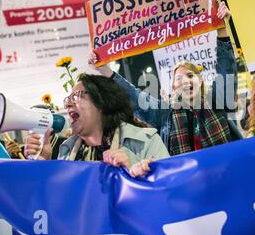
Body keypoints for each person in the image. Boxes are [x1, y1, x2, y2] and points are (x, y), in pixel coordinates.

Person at [92, 2, 242, 156]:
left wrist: (222, 28)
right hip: (185, 179)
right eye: (179, 78)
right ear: (174, 87)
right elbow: (135, 96)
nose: (185, 81)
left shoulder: (218, 100)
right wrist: (105, 71)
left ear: (200, 80)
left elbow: (226, 71)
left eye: (190, 76)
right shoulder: (164, 114)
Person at [24, 74, 169, 177]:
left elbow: (170, 191)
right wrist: (43, 165)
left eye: (76, 96)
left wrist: (131, 171)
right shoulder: (66, 153)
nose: (68, 103)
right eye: (67, 99)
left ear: (102, 102)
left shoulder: (147, 141)